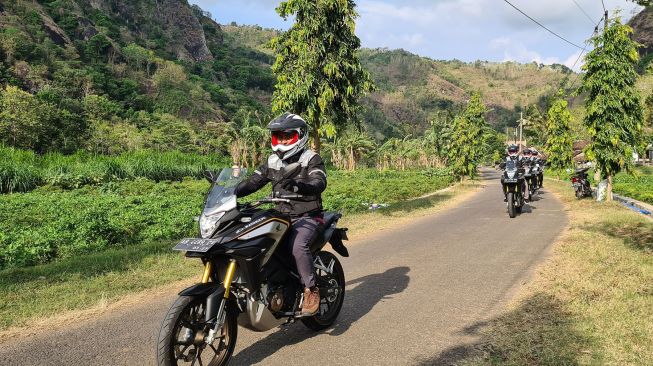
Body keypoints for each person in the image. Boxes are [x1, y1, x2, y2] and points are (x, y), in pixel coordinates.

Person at [234, 113, 327, 316]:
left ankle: (311, 289)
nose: (283, 141)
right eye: (279, 136)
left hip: (307, 216)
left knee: (298, 245)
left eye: (288, 136)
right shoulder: (272, 161)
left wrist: (298, 185)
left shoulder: (311, 158)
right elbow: (252, 183)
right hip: (280, 215)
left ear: (300, 135)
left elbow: (319, 182)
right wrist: (230, 191)